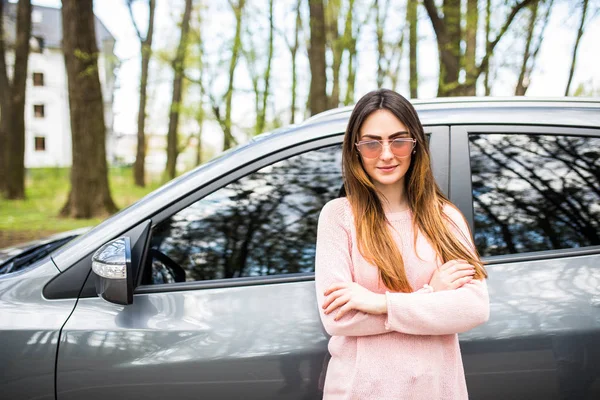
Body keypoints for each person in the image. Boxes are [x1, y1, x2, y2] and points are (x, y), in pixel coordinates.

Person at [314, 89, 490, 399]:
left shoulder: (444, 217)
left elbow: (473, 308)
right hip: (361, 391)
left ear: (415, 145)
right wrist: (432, 296)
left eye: (398, 140)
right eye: (371, 143)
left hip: (435, 390)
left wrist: (379, 303)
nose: (385, 154)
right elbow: (339, 317)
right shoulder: (338, 216)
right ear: (355, 149)